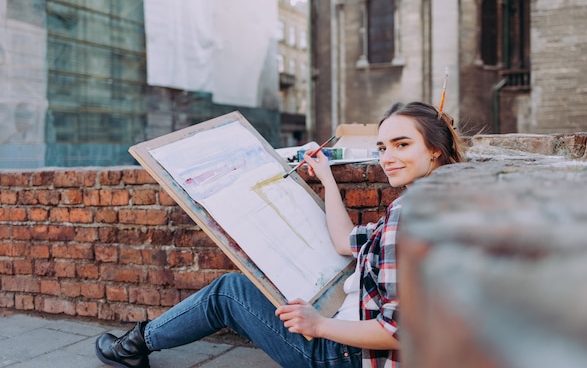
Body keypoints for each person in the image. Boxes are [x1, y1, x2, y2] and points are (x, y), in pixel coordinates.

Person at [95, 101, 464, 368]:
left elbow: (399, 330)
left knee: (229, 291)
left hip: (348, 358)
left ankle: (131, 347)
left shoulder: (410, 216)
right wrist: (327, 179)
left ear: (434, 150)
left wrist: (319, 325)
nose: (387, 158)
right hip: (366, 348)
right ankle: (136, 343)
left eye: (402, 145)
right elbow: (344, 241)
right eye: (382, 147)